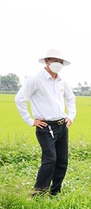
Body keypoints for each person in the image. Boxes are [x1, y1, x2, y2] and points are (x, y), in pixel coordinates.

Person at [15, 49, 76, 197]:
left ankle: (55, 192)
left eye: (60, 62)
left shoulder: (61, 81)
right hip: (45, 126)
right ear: (47, 61)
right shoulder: (35, 79)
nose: (58, 64)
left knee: (62, 160)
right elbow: (20, 99)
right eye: (55, 61)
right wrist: (30, 121)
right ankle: (39, 192)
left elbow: (71, 98)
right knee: (50, 159)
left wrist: (71, 116)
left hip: (62, 125)